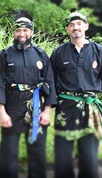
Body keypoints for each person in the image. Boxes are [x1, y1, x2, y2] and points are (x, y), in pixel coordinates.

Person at [0, 10, 56, 178]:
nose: (22, 34)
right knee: (9, 150)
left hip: (36, 106)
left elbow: (50, 82)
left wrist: (47, 111)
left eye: (25, 30)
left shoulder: (41, 54)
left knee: (37, 150)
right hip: (12, 106)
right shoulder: (5, 54)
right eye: (18, 30)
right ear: (14, 32)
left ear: (31, 32)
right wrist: (2, 112)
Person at [51, 10, 102, 178]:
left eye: (79, 24)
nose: (75, 28)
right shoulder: (59, 53)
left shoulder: (98, 51)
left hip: (90, 108)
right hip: (65, 109)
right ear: (67, 29)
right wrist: (47, 107)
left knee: (89, 157)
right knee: (63, 158)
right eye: (71, 25)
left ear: (86, 26)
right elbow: (50, 82)